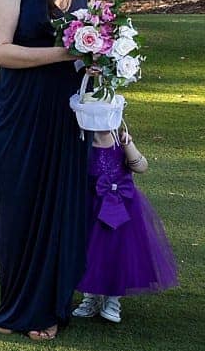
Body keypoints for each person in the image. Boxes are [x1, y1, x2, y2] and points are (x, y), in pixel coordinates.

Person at [0, 0, 108, 341]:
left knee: (62, 203)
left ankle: (49, 305)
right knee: (21, 199)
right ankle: (18, 302)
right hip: (22, 110)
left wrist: (100, 63)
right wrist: (63, 53)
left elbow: (92, 54)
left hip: (68, 112)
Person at [71, 125, 178, 323]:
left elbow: (141, 166)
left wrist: (129, 144)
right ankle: (91, 296)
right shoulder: (82, 143)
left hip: (123, 208)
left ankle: (113, 298)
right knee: (90, 251)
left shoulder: (121, 142)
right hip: (91, 207)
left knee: (118, 251)